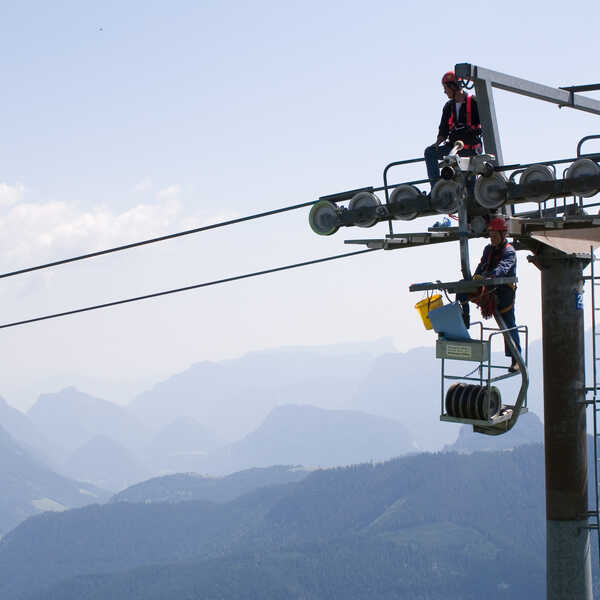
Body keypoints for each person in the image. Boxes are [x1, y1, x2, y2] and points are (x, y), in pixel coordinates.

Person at [472, 217, 522, 372]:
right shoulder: (488, 250)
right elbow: (481, 266)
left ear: (503, 234)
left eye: (494, 236)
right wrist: (475, 277)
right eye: (490, 236)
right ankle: (464, 317)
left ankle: (517, 360)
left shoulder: (509, 251)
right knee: (461, 294)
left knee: (508, 325)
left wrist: (489, 277)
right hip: (489, 288)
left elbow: (503, 268)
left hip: (503, 292)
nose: (492, 239)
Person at [424, 71, 483, 186]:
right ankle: (437, 187)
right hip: (453, 149)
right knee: (430, 153)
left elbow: (484, 126)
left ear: (453, 86)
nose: (444, 91)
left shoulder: (474, 102)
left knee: (470, 187)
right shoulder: (448, 107)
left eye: (446, 88)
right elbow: (443, 130)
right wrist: (436, 144)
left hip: (470, 150)